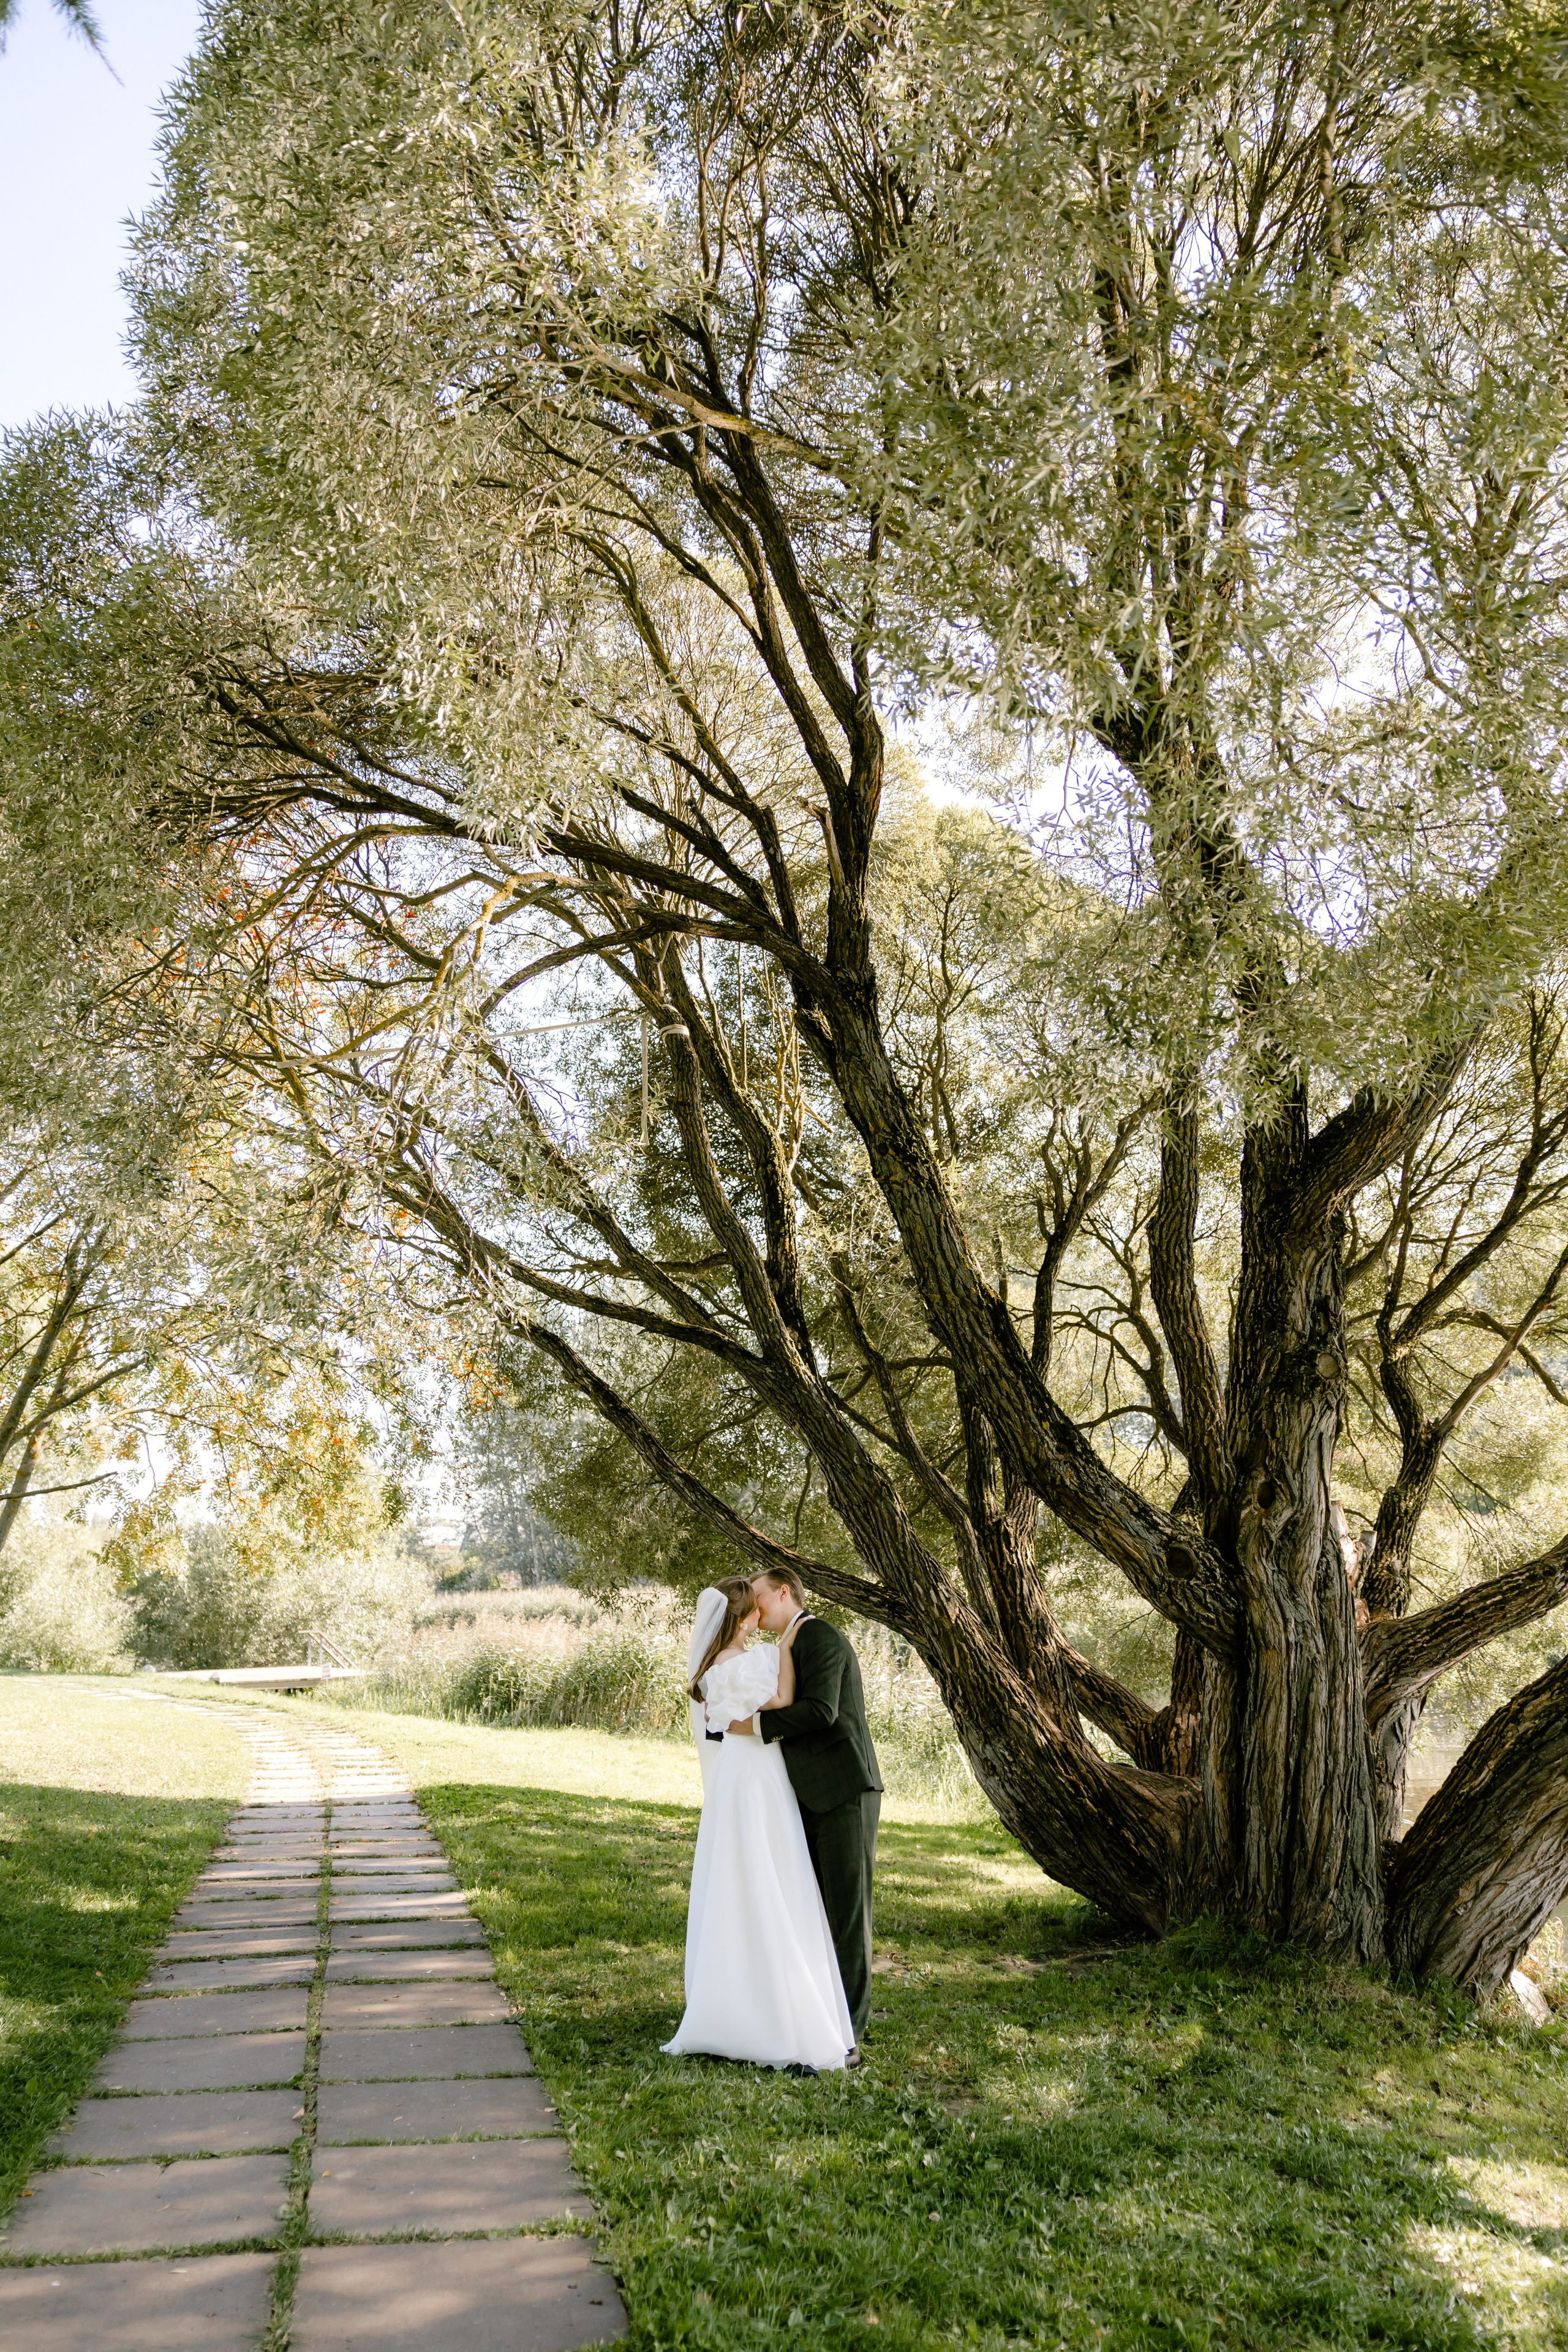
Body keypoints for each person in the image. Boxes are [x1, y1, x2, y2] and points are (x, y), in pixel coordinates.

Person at [662, 1577, 854, 2072]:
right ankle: (779, 2004)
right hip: (762, 1777)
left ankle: (731, 2000)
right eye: (756, 1606)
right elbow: (786, 1700)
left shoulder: (713, 1667)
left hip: (735, 1778)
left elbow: (729, 1722)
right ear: (746, 1617)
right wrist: (786, 1648)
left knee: (738, 1876)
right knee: (776, 1873)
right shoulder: (757, 1660)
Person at [723, 1567, 883, 2056]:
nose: (754, 1607)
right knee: (816, 1914)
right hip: (809, 1794)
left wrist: (753, 1726)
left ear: (784, 1592)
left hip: (843, 1791)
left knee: (847, 1916)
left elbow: (822, 1711)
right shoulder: (787, 1644)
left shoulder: (820, 1636)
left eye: (759, 1597)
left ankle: (848, 2038)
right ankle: (819, 2018)